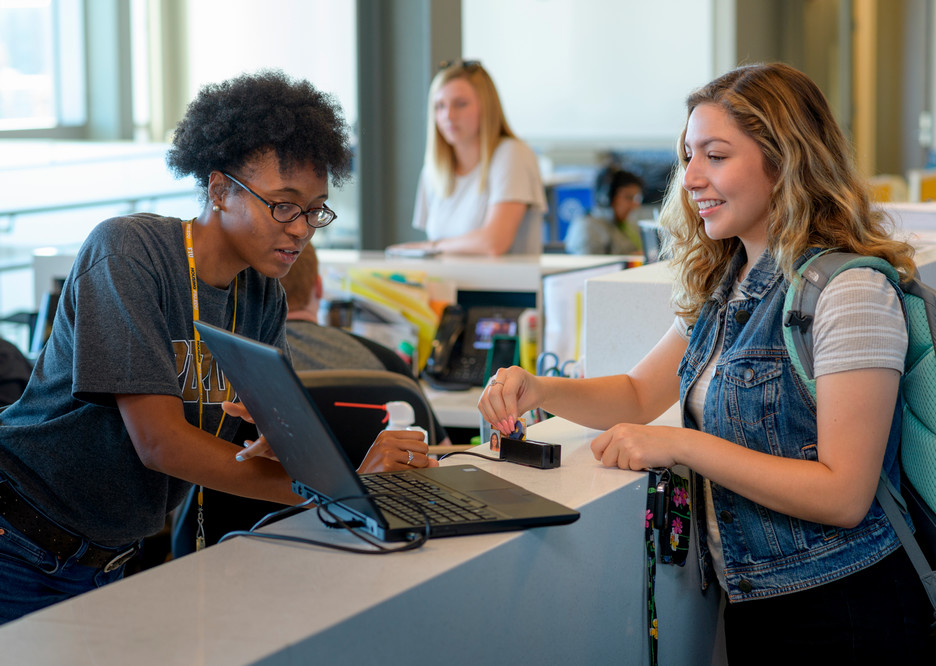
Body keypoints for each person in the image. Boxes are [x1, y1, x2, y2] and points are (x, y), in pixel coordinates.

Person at [479, 63, 934, 661]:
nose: (690, 178)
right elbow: (640, 394)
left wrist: (682, 447)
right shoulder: (730, 281)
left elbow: (844, 495)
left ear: (786, 161)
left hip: (845, 606)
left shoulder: (848, 293)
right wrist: (538, 389)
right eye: (688, 155)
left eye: (715, 156)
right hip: (756, 601)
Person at [0, 70, 436, 624]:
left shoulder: (263, 297)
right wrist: (338, 492)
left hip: (110, 561)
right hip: (18, 542)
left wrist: (311, 453)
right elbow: (160, 444)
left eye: (315, 209)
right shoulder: (129, 252)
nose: (302, 228)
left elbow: (268, 437)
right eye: (283, 204)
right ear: (220, 188)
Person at [280, 241, 450, 446]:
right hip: (384, 478)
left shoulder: (248, 363)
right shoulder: (387, 362)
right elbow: (441, 451)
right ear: (319, 287)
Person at [387, 60, 547, 256]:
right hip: (448, 284)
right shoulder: (433, 171)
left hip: (502, 286)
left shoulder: (511, 153)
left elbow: (494, 243)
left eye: (460, 104)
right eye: (439, 106)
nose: (449, 116)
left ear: (486, 108)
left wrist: (431, 248)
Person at [563, 166, 645, 255]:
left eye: (636, 199)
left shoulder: (626, 224)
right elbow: (591, 267)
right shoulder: (588, 228)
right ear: (607, 198)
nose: (635, 205)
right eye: (628, 197)